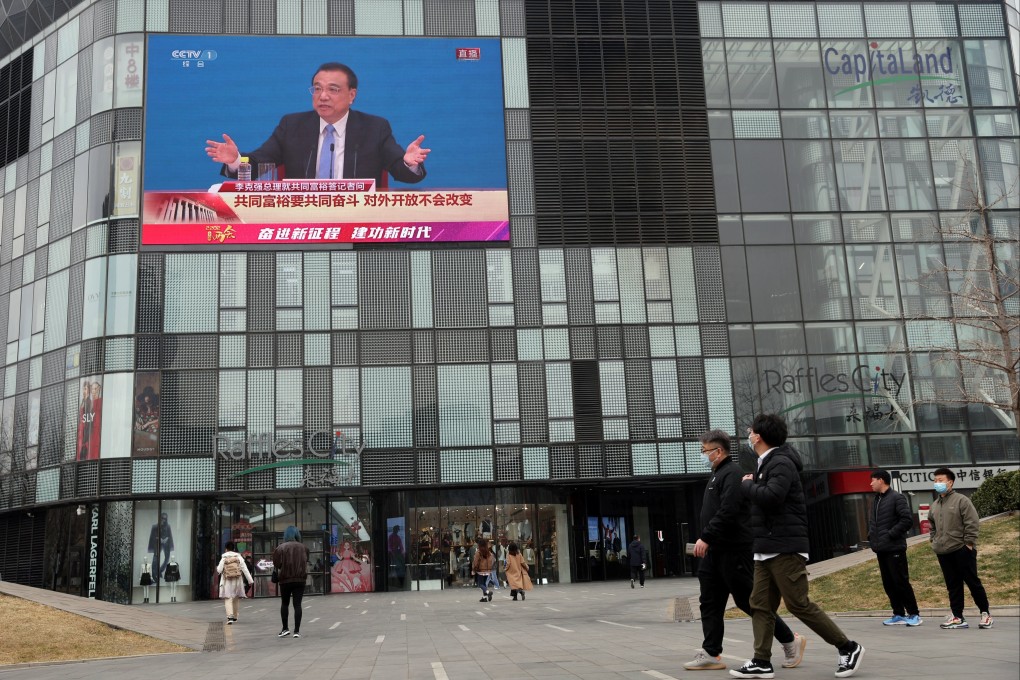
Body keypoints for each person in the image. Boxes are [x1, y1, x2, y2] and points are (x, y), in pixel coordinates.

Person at [732, 414, 865, 679]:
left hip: (785, 546)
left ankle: (848, 647)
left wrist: (748, 486)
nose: (748, 434)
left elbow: (772, 497)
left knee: (798, 603)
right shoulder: (765, 462)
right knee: (759, 604)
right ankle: (761, 660)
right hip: (767, 546)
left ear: (759, 436)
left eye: (751, 431)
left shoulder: (780, 462)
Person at [685, 429, 806, 672]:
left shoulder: (732, 474)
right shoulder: (717, 474)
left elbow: (728, 511)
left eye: (704, 451)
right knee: (709, 601)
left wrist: (706, 536)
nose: (702, 455)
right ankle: (711, 652)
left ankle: (790, 639)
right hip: (714, 552)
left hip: (734, 550)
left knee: (748, 600)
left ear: (718, 451)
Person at [205, 62, 430, 185]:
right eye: (317, 88)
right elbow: (256, 162)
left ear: (352, 95)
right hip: (301, 217)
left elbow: (403, 173)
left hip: (359, 217)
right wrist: (236, 160)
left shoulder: (374, 128)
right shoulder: (292, 125)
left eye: (333, 89)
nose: (323, 96)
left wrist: (409, 162)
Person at [929, 467, 993, 630]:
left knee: (973, 582)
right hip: (943, 551)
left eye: (940, 480)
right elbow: (932, 526)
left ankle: (985, 614)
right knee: (953, 585)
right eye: (935, 480)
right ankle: (958, 617)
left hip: (962, 549)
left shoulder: (961, 500)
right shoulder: (935, 505)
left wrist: (969, 544)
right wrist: (934, 541)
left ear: (950, 482)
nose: (937, 483)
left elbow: (972, 522)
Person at [868, 469, 921, 626]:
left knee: (900, 581)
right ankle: (898, 613)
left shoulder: (897, 497)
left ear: (881, 480)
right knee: (888, 583)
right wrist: (871, 537)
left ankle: (914, 614)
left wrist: (890, 535)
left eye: (873, 480)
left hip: (894, 548)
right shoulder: (876, 499)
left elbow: (906, 520)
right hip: (881, 548)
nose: (870, 484)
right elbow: (873, 523)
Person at [272, 525, 310, 638]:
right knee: (297, 604)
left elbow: (277, 564)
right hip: (300, 579)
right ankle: (297, 631)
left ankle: (285, 629)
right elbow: (306, 561)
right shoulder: (304, 547)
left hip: (285, 580)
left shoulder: (280, 548)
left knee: (285, 603)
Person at [217, 541, 254, 624]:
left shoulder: (224, 558)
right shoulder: (239, 557)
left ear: (226, 549)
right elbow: (245, 569)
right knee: (235, 599)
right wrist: (250, 580)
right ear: (234, 549)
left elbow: (219, 570)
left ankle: (230, 617)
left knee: (228, 598)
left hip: (227, 581)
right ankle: (235, 617)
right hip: (237, 581)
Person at [471, 537, 495, 602]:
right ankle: (484, 597)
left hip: (480, 570)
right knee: (484, 583)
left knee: (480, 584)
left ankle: (487, 592)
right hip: (487, 570)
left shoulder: (478, 552)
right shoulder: (488, 552)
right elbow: (492, 560)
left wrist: (474, 569)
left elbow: (475, 562)